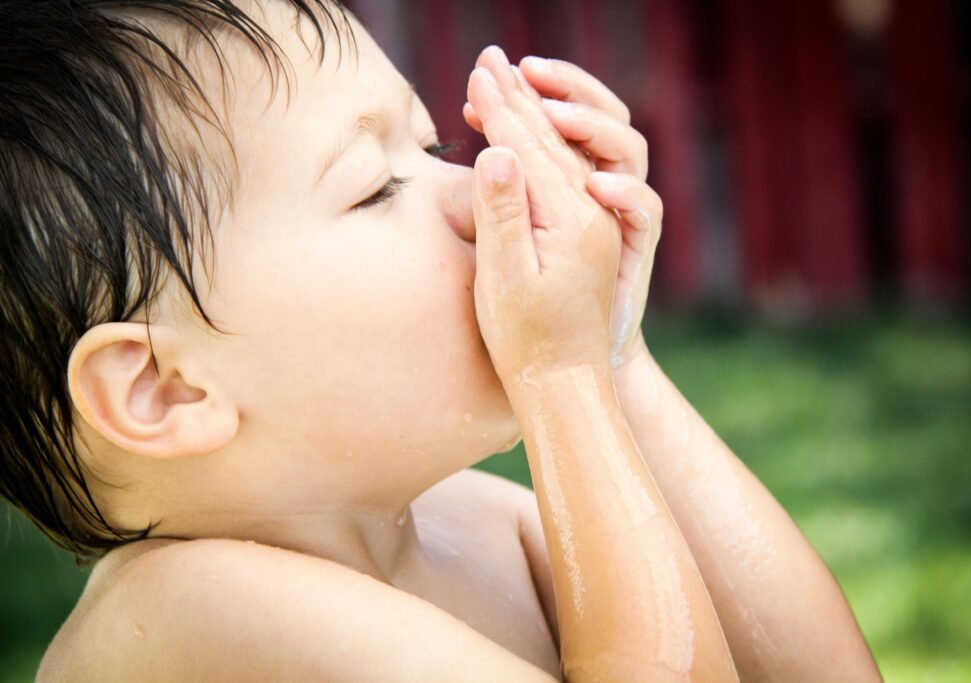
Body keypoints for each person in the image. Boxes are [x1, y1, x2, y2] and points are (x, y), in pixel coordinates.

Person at [0, 1, 881, 680]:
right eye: (376, 187)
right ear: (165, 389)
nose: (474, 189)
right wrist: (562, 374)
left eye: (433, 145)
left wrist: (612, 359)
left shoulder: (469, 524)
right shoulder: (184, 615)